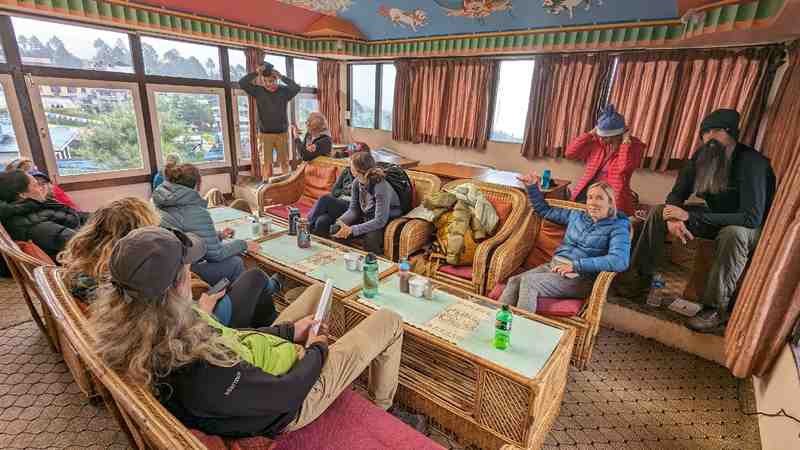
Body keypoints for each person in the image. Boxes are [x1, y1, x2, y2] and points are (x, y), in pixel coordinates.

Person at [90, 226, 410, 438]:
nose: (191, 277)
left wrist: (288, 332)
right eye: (188, 273)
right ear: (176, 287)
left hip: (265, 359)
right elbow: (287, 393)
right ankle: (384, 408)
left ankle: (321, 343)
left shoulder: (157, 324)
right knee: (389, 320)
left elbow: (238, 338)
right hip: (293, 399)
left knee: (315, 290)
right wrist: (316, 349)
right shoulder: (201, 373)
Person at [623, 109, 776, 332]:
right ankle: (639, 278)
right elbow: (677, 194)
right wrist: (674, 215)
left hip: (747, 226)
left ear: (732, 133)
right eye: (706, 132)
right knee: (658, 211)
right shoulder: (702, 155)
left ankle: (715, 309)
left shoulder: (754, 163)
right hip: (712, 218)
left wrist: (691, 216)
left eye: (718, 131)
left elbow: (751, 217)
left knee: (733, 233)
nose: (711, 137)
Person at [152, 161, 280, 326]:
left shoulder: (158, 201)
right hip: (187, 268)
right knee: (236, 263)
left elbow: (187, 236)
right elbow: (216, 254)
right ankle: (250, 303)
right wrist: (244, 244)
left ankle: (258, 297)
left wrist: (217, 236)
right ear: (197, 185)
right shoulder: (194, 211)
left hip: (171, 264)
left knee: (236, 262)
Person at [501, 174, 631, 312]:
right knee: (514, 281)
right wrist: (532, 187)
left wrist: (576, 266)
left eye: (599, 198)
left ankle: (522, 330)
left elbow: (619, 261)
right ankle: (493, 321)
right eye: (590, 197)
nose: (592, 202)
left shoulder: (618, 226)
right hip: (554, 266)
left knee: (529, 283)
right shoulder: (577, 216)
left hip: (580, 278)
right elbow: (544, 210)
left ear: (610, 202)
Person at [565, 104, 645, 216]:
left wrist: (625, 142)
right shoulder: (596, 143)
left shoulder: (634, 146)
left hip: (612, 197)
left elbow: (624, 168)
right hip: (588, 192)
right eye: (600, 135)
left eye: (606, 136)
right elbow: (570, 153)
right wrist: (590, 134)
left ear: (618, 135)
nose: (601, 138)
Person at [0, 169, 87, 260]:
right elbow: (80, 244)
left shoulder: (37, 206)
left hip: (83, 240)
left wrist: (100, 219)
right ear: (23, 194)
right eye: (36, 185)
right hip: (80, 262)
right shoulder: (30, 224)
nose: (41, 187)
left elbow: (77, 216)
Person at [329, 151, 403, 254]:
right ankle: (343, 259)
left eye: (351, 165)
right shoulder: (356, 182)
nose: (349, 166)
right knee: (336, 230)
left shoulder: (381, 187)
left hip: (387, 222)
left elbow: (380, 221)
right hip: (368, 217)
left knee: (370, 239)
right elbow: (353, 210)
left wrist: (352, 229)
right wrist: (341, 221)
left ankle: (375, 265)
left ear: (357, 170)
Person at [239, 62, 301, 179]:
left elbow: (296, 88)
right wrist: (256, 72)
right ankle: (266, 186)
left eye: (273, 81)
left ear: (276, 80)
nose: (270, 84)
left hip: (281, 133)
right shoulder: (258, 91)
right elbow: (242, 83)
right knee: (266, 164)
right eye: (267, 81)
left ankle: (286, 185)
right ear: (263, 81)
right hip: (264, 134)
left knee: (284, 163)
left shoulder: (284, 91)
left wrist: (282, 77)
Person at [5, 158, 79, 211]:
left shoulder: (52, 188)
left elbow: (74, 209)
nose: (41, 187)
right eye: (35, 184)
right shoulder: (19, 204)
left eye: (42, 182)